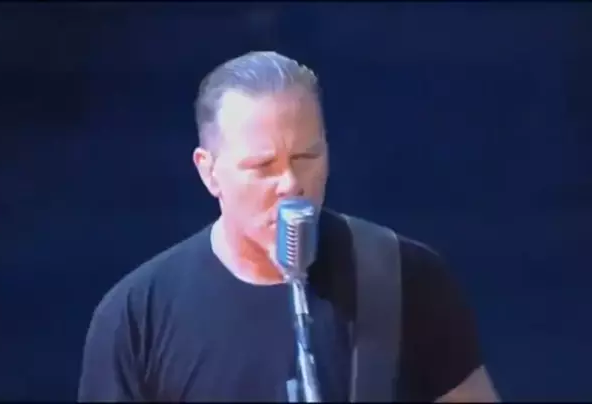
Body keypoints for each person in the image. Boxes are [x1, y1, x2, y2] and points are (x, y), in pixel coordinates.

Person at [77, 51, 500, 402]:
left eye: (306, 157)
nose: (292, 184)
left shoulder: (402, 275)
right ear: (209, 172)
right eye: (263, 166)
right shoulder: (137, 315)